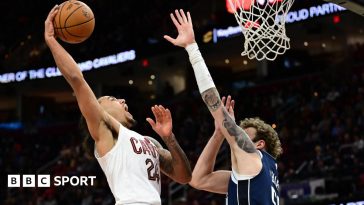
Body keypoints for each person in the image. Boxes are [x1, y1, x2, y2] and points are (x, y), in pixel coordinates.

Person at [44, 6, 191, 205]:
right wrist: (51, 41)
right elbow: (76, 79)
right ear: (99, 109)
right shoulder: (106, 130)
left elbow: (184, 177)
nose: (122, 100)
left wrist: (170, 139)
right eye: (112, 99)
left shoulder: (149, 142)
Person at [164, 9, 283, 204]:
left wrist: (192, 48)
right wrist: (219, 133)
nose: (234, 136)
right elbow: (198, 180)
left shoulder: (254, 158)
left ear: (259, 145)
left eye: (243, 134)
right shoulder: (258, 175)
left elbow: (213, 102)